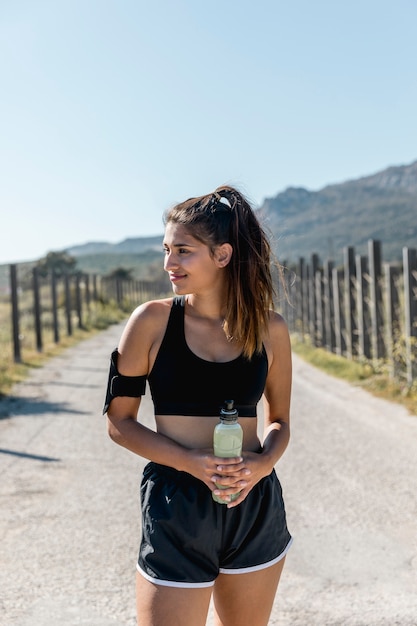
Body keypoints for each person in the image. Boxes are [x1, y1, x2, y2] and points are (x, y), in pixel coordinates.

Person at [103, 185, 293, 626]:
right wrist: (189, 461)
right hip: (176, 500)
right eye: (167, 249)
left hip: (252, 501)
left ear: (223, 255)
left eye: (183, 251)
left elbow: (280, 420)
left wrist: (264, 464)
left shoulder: (270, 329)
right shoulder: (150, 321)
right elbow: (118, 421)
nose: (169, 263)